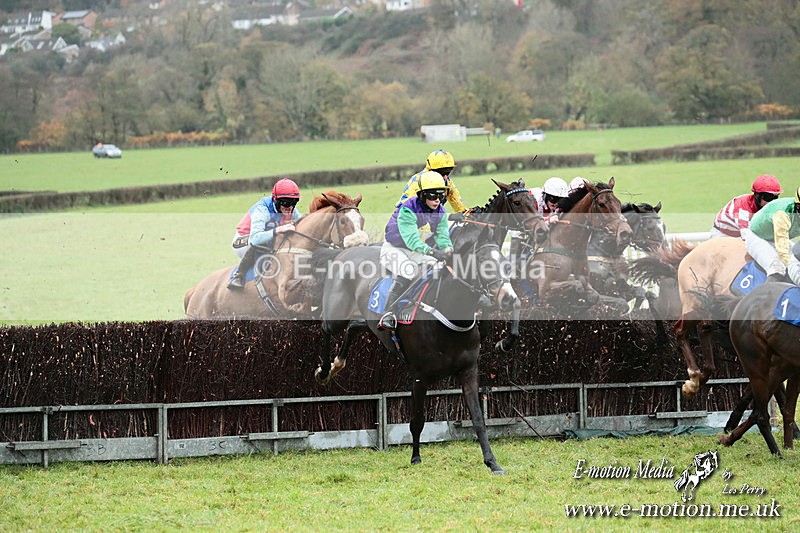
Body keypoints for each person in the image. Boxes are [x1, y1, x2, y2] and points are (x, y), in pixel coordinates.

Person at [379, 171, 454, 329]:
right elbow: (413, 241)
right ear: (422, 195)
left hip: (416, 251)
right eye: (433, 196)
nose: (437, 200)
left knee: (439, 266)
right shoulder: (408, 209)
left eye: (440, 196)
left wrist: (447, 249)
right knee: (408, 270)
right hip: (394, 249)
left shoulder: (440, 212)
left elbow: (442, 236)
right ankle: (388, 313)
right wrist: (433, 252)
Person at [227, 178, 302, 290]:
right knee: (268, 240)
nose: (290, 207)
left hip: (266, 240)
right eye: (286, 202)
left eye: (294, 202)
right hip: (243, 240)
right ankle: (238, 275)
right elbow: (255, 239)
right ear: (276, 200)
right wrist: (278, 230)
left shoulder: (292, 211)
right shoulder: (262, 209)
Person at [744, 186, 800, 283]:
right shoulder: (783, 214)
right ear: (798, 206)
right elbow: (782, 249)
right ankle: (762, 297)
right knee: (777, 270)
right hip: (757, 237)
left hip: (775, 235)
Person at [709, 174, 783, 239]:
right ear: (757, 196)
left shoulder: (769, 206)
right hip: (722, 236)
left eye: (775, 197)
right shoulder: (742, 207)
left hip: (740, 234)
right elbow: (747, 237)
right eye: (768, 197)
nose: (772, 202)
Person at [396, 149, 467, 213]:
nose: (445, 177)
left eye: (448, 172)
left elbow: (458, 205)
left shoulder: (447, 181)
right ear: (430, 168)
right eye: (441, 172)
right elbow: (408, 209)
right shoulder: (417, 181)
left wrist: (468, 213)